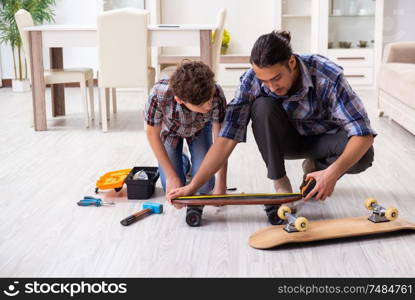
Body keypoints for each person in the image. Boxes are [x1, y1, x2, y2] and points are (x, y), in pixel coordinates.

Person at [167, 30, 376, 214]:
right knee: (263, 105)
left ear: (292, 63)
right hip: (284, 142)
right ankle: (280, 182)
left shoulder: (326, 75)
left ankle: (316, 168)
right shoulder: (251, 81)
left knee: (363, 154)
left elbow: (363, 133)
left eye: (276, 78)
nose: (271, 86)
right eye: (264, 80)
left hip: (324, 139)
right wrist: (192, 186)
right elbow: (224, 141)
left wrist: (333, 172)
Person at [145, 61, 228, 200]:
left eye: (210, 98)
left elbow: (222, 141)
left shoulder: (217, 93)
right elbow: (152, 134)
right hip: (170, 131)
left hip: (200, 129)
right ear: (180, 100)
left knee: (205, 187)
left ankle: (192, 163)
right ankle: (183, 160)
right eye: (201, 103)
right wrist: (172, 177)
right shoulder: (158, 94)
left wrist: (221, 183)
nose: (209, 105)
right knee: (172, 187)